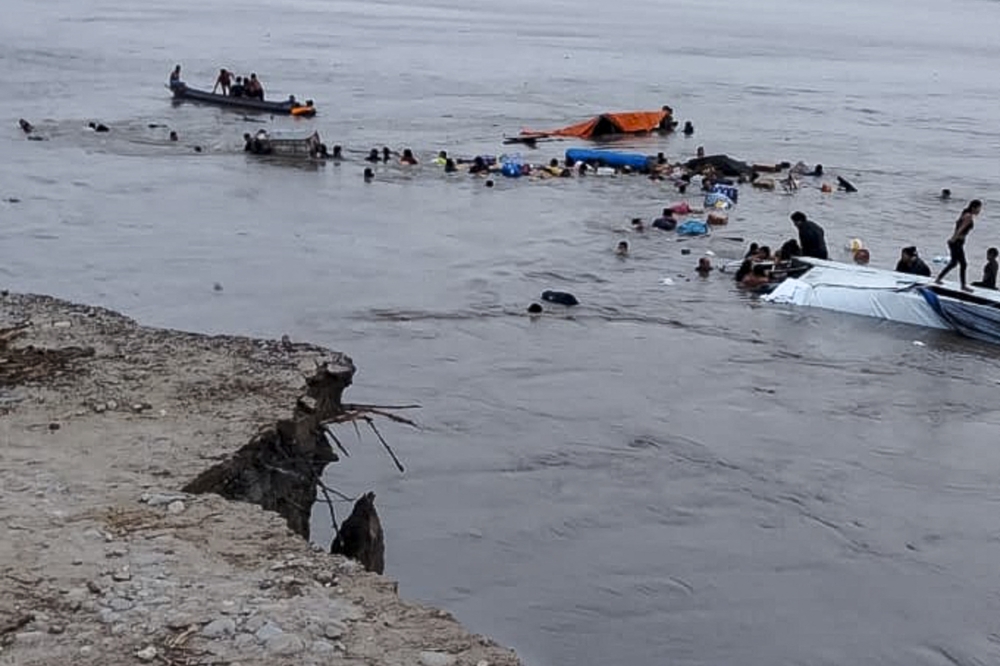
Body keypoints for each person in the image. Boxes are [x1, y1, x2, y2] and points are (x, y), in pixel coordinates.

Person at [935, 199, 983, 291]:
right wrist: (952, 239)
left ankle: (938, 279)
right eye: (978, 209)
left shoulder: (965, 214)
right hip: (957, 242)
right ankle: (963, 286)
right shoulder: (968, 216)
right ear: (973, 207)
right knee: (963, 264)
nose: (979, 211)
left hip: (957, 242)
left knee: (953, 263)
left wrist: (952, 240)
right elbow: (960, 229)